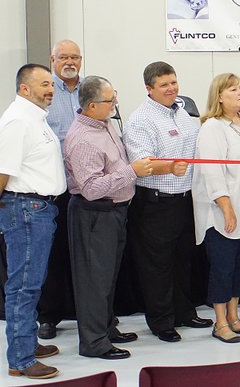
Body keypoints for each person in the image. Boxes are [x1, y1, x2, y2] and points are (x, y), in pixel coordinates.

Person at [123, 61, 212, 343]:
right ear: (149, 89)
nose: (171, 89)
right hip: (155, 204)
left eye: (173, 82)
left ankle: (184, 311)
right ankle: (161, 322)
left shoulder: (184, 112)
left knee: (182, 260)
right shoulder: (140, 120)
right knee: (157, 266)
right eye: (164, 85)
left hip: (184, 201)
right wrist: (169, 167)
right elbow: (142, 163)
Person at [63, 76, 149, 360]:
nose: (115, 104)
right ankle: (93, 342)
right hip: (95, 214)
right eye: (110, 100)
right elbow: (90, 189)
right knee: (94, 281)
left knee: (108, 277)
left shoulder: (105, 124)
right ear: (91, 106)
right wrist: (132, 171)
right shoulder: (84, 139)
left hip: (115, 211)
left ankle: (106, 327)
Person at [0, 64, 64, 380]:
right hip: (25, 208)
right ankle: (21, 360)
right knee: (23, 286)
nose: (50, 89)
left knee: (31, 282)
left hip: (38, 209)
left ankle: (27, 341)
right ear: (24, 88)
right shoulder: (17, 121)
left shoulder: (35, 119)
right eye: (44, 84)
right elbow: (2, 172)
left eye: (51, 84)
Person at [192, 73, 240, 343]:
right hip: (223, 211)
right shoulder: (212, 127)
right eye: (233, 89)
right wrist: (226, 207)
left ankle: (234, 317)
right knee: (222, 267)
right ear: (219, 96)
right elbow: (213, 172)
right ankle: (220, 321)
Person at [38, 40, 83, 340]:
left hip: (87, 186)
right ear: (52, 59)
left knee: (86, 255)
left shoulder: (91, 90)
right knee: (52, 255)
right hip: (54, 186)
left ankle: (91, 313)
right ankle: (49, 316)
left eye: (74, 57)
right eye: (63, 57)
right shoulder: (43, 93)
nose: (69, 61)